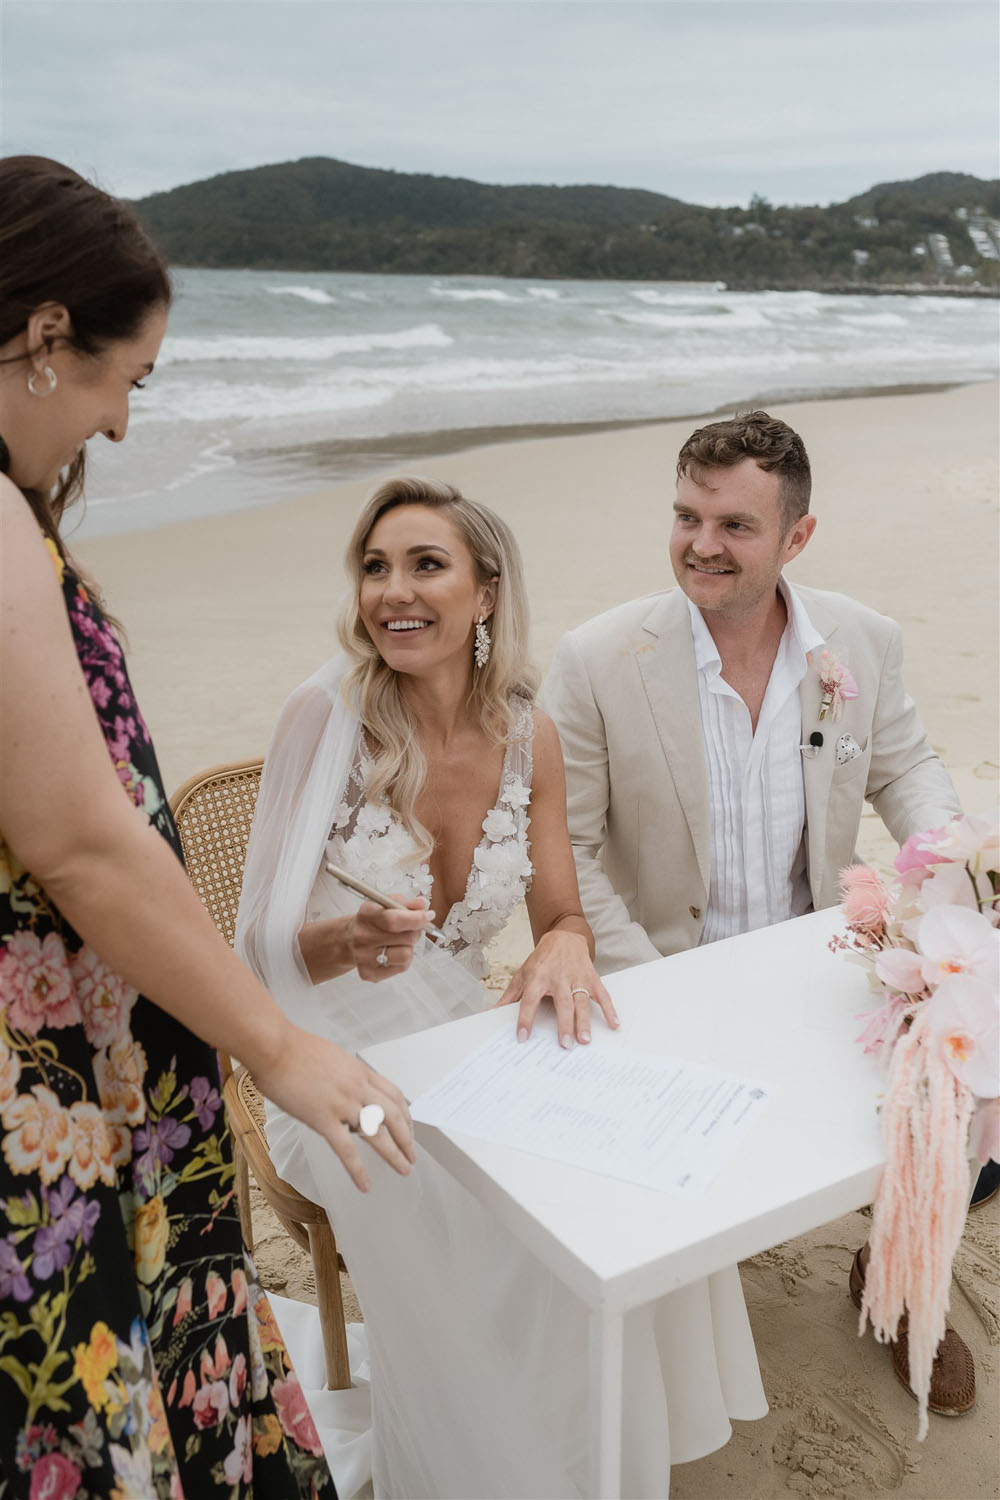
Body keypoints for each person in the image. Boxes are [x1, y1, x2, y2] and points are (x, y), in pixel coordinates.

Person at [0, 156, 415, 1500]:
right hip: (50, 1059)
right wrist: (276, 1045)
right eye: (132, 379)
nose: (122, 425)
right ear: (47, 336)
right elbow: (74, 839)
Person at [236, 475, 768, 1499]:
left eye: (425, 564)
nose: (393, 591)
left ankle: (582, 1447)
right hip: (326, 1059)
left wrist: (563, 946)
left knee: (621, 1177)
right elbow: (255, 962)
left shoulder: (530, 732)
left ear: (484, 593)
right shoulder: (323, 718)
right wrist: (346, 942)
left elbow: (561, 912)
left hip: (454, 1028)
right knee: (483, 1225)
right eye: (375, 567)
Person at [540, 409, 973, 1420]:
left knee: (948, 1075)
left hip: (819, 956)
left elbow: (906, 769)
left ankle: (904, 1278)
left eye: (735, 525)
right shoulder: (597, 659)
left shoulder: (858, 642)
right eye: (687, 516)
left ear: (796, 537)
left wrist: (958, 872)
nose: (701, 544)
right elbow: (565, 848)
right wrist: (655, 984)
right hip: (655, 965)